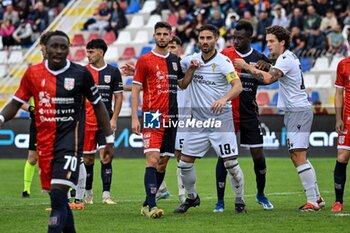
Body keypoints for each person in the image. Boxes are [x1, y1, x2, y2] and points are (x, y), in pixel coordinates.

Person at [0, 30, 114, 232]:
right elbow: (16, 102)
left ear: (69, 49)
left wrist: (109, 139)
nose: (59, 51)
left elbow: (99, 106)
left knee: (59, 195)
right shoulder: (33, 73)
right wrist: (1, 117)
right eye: (55, 46)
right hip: (45, 144)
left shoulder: (80, 73)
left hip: (70, 143)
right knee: (58, 198)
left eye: (64, 46)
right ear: (46, 49)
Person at [234, 25, 324, 211]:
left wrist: (245, 67)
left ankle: (312, 202)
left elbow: (267, 79)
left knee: (298, 155)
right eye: (267, 41)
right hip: (296, 111)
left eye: (272, 41)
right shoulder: (287, 58)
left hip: (298, 111)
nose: (268, 45)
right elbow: (274, 70)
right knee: (299, 155)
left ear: (282, 42)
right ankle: (317, 198)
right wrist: (267, 66)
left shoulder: (285, 59)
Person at [173, 24, 245, 214]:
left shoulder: (223, 62)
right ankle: (192, 197)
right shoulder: (190, 60)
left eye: (209, 38)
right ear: (198, 40)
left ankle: (239, 200)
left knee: (230, 163)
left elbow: (237, 87)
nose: (205, 42)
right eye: (202, 38)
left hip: (221, 121)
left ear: (215, 40)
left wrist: (223, 99)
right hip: (198, 122)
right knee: (184, 164)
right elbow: (175, 76)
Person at [131, 21, 192, 219]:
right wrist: (134, 117)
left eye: (166, 34)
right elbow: (136, 89)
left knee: (163, 162)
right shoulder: (145, 60)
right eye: (159, 34)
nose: (162, 37)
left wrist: (191, 70)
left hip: (172, 116)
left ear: (170, 36)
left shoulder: (175, 60)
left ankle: (147, 202)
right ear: (154, 36)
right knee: (152, 159)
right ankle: (151, 206)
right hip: (152, 115)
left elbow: (182, 84)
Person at [213, 19, 273, 213]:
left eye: (239, 38)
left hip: (249, 114)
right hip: (228, 114)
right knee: (225, 157)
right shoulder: (224, 55)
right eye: (234, 37)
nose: (235, 41)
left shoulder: (260, 58)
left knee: (258, 155)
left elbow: (268, 79)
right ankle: (220, 201)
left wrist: (258, 67)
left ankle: (261, 194)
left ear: (250, 37)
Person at [83, 39, 123, 205]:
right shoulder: (83, 72)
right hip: (86, 122)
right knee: (88, 160)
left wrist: (114, 119)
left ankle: (106, 195)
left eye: (91, 51)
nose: (88, 55)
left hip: (105, 123)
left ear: (101, 52)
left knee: (106, 157)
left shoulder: (113, 72)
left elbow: (119, 97)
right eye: (87, 51)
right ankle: (88, 193)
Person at [21, 31, 53, 198]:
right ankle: (26, 190)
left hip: (58, 120)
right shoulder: (33, 73)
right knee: (33, 158)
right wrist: (31, 109)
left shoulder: (64, 71)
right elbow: (19, 100)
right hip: (38, 121)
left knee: (60, 156)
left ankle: (67, 190)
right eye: (43, 50)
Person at [332, 55, 350, 212]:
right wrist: (338, 117)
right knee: (342, 156)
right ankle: (338, 201)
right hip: (348, 119)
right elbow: (339, 93)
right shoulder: (343, 64)